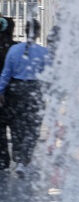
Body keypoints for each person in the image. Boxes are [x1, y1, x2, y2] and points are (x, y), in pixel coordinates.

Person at [0, 27, 49, 171]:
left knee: (17, 124)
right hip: (35, 90)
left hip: (16, 90)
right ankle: (24, 159)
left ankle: (17, 154)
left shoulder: (14, 50)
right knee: (32, 125)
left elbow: (6, 74)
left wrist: (1, 91)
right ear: (38, 32)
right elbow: (49, 74)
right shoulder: (44, 52)